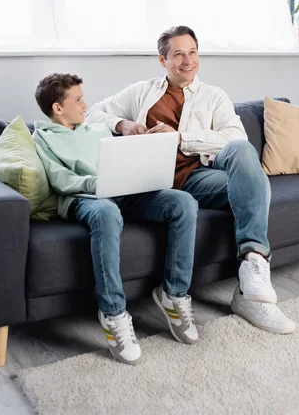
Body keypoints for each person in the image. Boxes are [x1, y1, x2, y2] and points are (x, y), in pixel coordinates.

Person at [86, 25, 296, 335]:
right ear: (162, 60)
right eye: (179, 54)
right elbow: (91, 114)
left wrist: (182, 138)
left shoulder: (213, 96)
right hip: (152, 183)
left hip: (197, 178)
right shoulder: (142, 91)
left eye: (193, 52)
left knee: (243, 156)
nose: (188, 61)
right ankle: (248, 289)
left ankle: (254, 263)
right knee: (258, 187)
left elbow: (234, 137)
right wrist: (123, 124)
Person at [32, 73, 199, 366]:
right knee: (108, 213)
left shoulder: (95, 129)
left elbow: (122, 157)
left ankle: (174, 294)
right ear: (58, 108)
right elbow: (61, 179)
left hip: (123, 189)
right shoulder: (42, 137)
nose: (85, 105)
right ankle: (113, 314)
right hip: (86, 199)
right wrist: (98, 184)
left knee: (182, 201)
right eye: (78, 99)